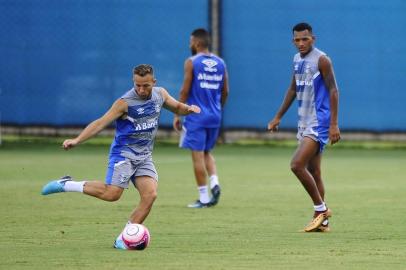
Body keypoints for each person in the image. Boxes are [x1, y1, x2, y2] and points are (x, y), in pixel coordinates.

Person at [41, 64, 201, 249]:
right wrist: (77, 140)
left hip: (144, 156)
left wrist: (188, 109)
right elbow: (100, 123)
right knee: (112, 194)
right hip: (124, 154)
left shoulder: (160, 94)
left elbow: (177, 107)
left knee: (150, 195)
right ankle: (66, 184)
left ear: (153, 82)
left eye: (145, 85)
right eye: (137, 85)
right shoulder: (125, 102)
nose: (141, 90)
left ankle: (124, 239)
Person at [267, 23, 340, 232]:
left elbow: (334, 90)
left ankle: (321, 210)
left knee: (296, 165)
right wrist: (278, 116)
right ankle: (323, 223)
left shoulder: (322, 59)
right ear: (293, 41)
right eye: (297, 40)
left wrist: (334, 124)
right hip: (304, 122)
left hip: (319, 122)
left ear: (313, 39)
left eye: (305, 39)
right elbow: (293, 88)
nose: (301, 43)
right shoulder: (296, 59)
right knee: (314, 171)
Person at [173, 28, 229, 208]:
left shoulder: (191, 62)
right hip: (215, 115)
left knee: (197, 155)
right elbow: (225, 91)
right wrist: (218, 108)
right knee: (207, 152)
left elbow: (185, 90)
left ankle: (204, 198)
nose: (190, 44)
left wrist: (177, 112)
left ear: (196, 43)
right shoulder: (221, 63)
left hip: (196, 116)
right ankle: (215, 183)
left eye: (190, 41)